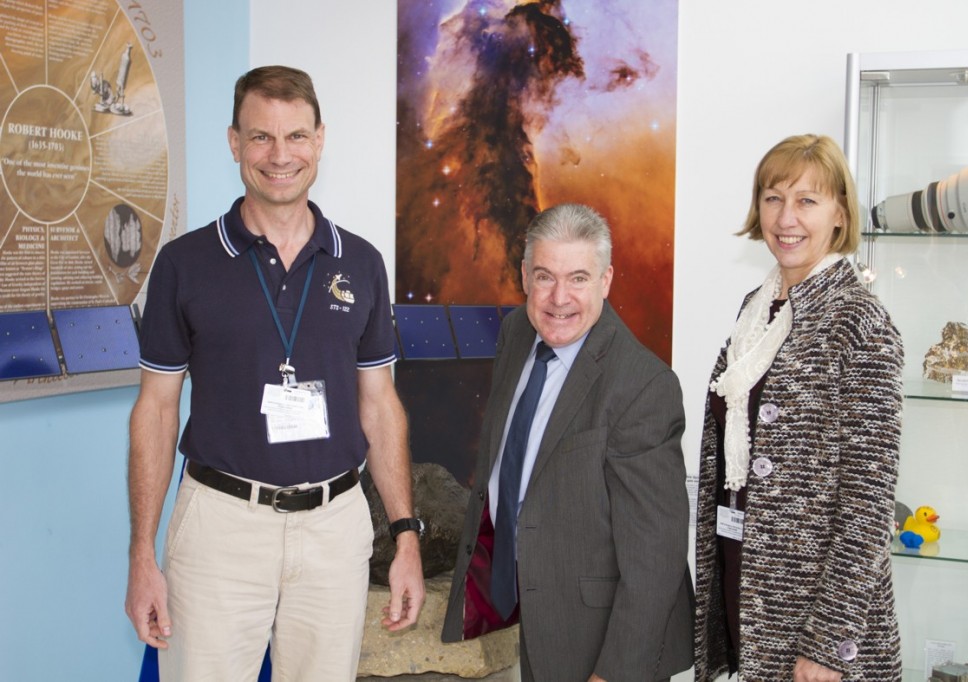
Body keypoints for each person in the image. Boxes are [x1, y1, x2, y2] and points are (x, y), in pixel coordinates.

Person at [124, 65, 426, 681]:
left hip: (335, 527)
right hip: (220, 526)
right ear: (234, 143)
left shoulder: (362, 263)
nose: (279, 155)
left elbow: (380, 405)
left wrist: (405, 536)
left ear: (319, 141)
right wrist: (141, 555)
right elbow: (155, 409)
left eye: (295, 137)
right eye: (261, 137)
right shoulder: (185, 265)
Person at [442, 203, 695, 682]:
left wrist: (614, 674)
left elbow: (655, 558)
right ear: (524, 276)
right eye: (545, 276)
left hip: (600, 639)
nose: (559, 298)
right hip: (536, 613)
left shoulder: (643, 387)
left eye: (578, 278)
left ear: (605, 280)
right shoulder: (518, 331)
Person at [692, 134, 903, 681]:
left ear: (839, 213)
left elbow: (870, 502)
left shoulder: (859, 322)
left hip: (819, 626)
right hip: (748, 588)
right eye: (773, 197)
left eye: (807, 200)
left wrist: (829, 644)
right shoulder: (756, 311)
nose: (787, 217)